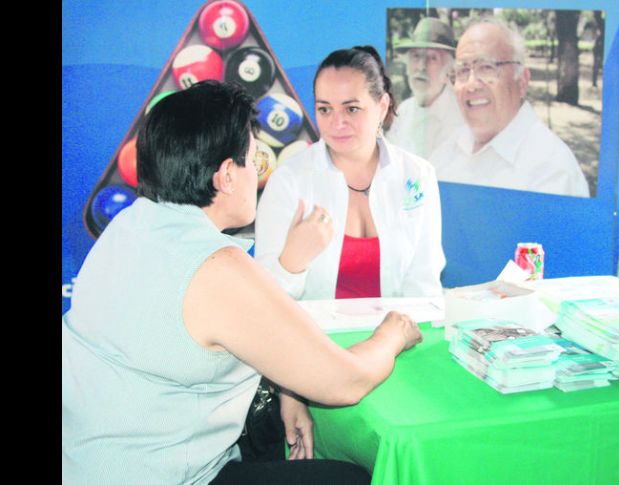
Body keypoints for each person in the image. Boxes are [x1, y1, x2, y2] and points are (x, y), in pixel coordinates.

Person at [62, 80, 423, 484]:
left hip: (85, 462)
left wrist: (290, 390)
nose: (258, 175)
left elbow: (247, 327)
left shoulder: (129, 225)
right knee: (352, 477)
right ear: (227, 175)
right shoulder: (215, 265)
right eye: (253, 161)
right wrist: (393, 333)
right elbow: (346, 381)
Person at [255, 46, 446, 301]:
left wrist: (401, 336)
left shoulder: (417, 175)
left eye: (351, 109)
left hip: (397, 337)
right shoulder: (290, 181)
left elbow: (424, 282)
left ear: (382, 106)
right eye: (325, 109)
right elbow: (266, 301)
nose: (337, 123)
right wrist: (292, 261)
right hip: (313, 338)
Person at [429, 19, 590, 197]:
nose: (471, 84)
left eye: (486, 67)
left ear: (522, 82)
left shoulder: (551, 170)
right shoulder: (451, 146)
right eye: (462, 71)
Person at [385, 17, 464, 159]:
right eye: (416, 56)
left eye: (432, 58)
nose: (421, 66)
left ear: (449, 70)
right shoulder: (404, 110)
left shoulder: (462, 118)